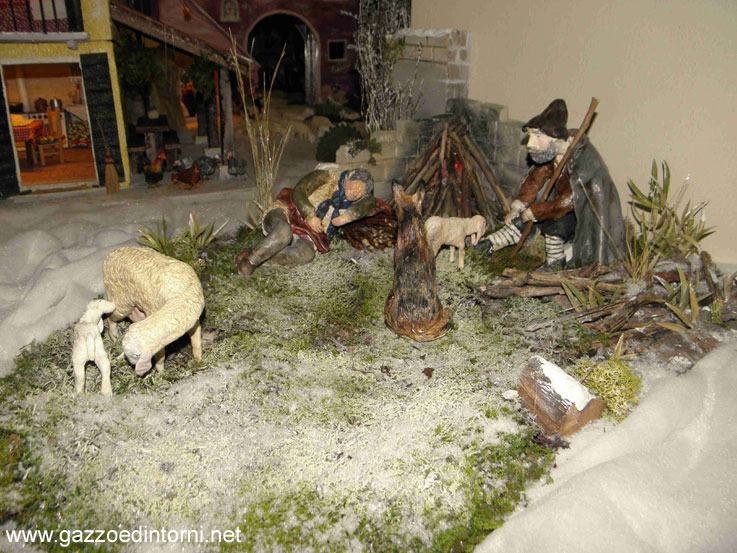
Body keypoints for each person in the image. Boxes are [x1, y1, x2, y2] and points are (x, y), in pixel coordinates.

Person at [480, 99, 625, 269]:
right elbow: (535, 180)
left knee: (554, 231)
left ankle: (554, 264)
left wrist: (535, 212)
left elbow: (570, 200)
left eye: (537, 137)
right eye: (530, 136)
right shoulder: (551, 153)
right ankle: (489, 244)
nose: (530, 144)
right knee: (519, 221)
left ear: (555, 138)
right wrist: (518, 206)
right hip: (553, 207)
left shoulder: (583, 160)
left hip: (578, 214)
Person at [236, 167, 377, 275]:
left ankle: (260, 260)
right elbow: (300, 189)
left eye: (360, 193)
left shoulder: (355, 202)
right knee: (283, 232)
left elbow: (370, 203)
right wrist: (310, 215)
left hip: (310, 233)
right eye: (355, 187)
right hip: (289, 210)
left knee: (306, 254)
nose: (354, 193)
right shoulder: (328, 176)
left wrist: (347, 216)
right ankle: (249, 262)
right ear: (350, 176)